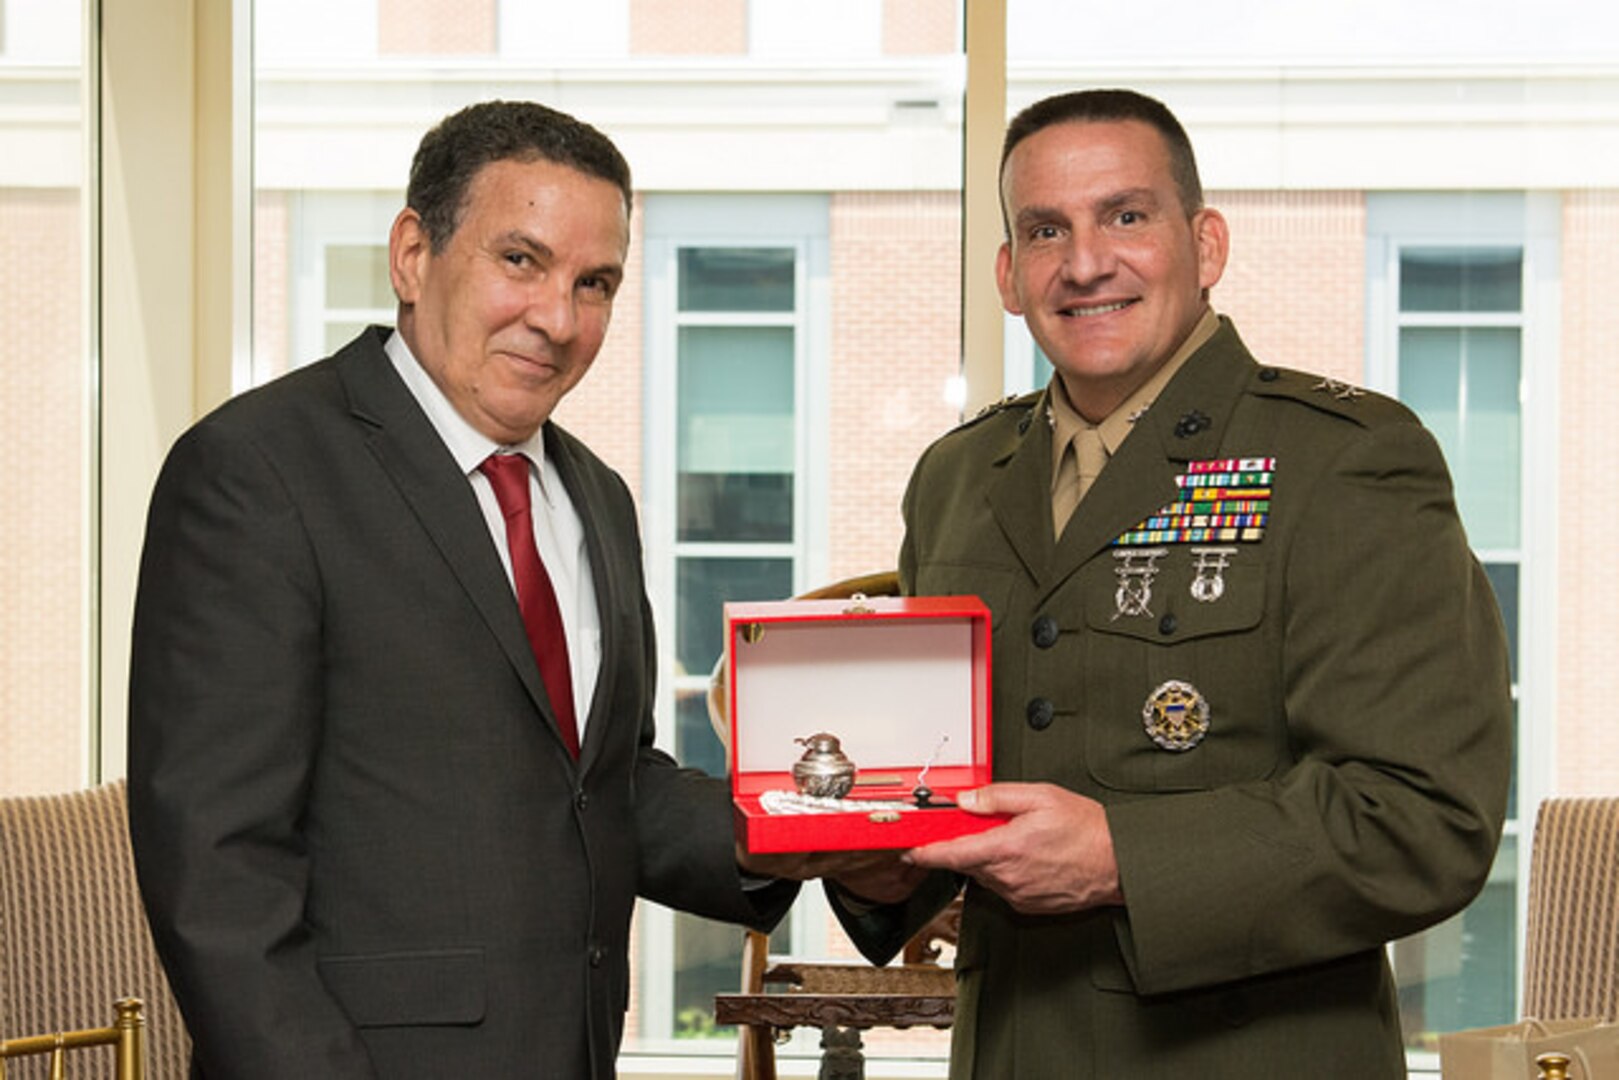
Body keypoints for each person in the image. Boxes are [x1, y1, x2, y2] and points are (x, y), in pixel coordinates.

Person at [829, 88, 1513, 1077]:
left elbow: (1422, 821)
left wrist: (1122, 859)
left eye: (1125, 216)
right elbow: (939, 780)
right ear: (1007, 276)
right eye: (1044, 230)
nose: (1084, 262)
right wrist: (877, 864)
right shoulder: (955, 478)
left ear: (1206, 245)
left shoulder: (1341, 460)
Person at [127, 100, 799, 1079]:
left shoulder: (596, 496)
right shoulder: (255, 471)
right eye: (519, 260)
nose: (558, 319)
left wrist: (828, 834)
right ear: (411, 254)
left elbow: (607, 789)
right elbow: (216, 873)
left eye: (594, 282)